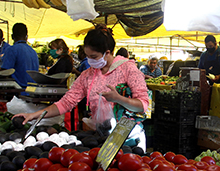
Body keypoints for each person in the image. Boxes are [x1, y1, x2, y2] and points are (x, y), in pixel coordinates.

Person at [16, 26, 149, 148]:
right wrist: (34, 115)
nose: (90, 61)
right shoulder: (88, 74)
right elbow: (66, 102)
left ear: (107, 52)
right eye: (87, 56)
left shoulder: (128, 69)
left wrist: (119, 99)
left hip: (129, 138)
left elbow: (142, 104)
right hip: (102, 137)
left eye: (94, 57)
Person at [0, 23, 40, 90]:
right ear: (27, 37)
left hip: (19, 91)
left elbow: (5, 72)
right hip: (32, 90)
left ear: (12, 37)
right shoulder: (33, 51)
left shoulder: (12, 49)